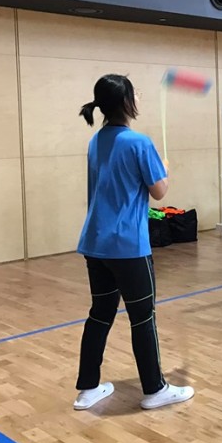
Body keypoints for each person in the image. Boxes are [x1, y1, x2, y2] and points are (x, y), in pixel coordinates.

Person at [74, 74, 194, 411]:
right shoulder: (139, 143)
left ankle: (87, 389)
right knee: (142, 316)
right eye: (134, 93)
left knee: (100, 314)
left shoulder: (96, 141)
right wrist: (164, 170)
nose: (139, 96)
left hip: (95, 242)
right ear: (126, 102)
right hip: (127, 245)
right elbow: (160, 191)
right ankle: (155, 389)